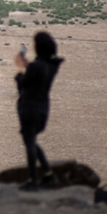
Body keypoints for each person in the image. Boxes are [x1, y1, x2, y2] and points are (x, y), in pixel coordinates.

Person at [14, 31, 64, 191]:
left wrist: (20, 68)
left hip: (30, 108)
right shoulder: (51, 65)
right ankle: (48, 175)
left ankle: (33, 181)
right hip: (42, 109)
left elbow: (22, 85)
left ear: (38, 47)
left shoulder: (37, 67)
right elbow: (37, 77)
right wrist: (28, 67)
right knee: (31, 141)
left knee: (29, 143)